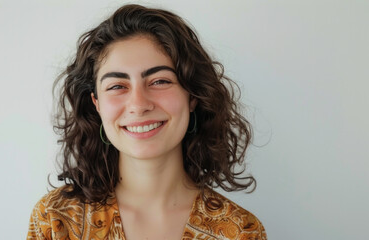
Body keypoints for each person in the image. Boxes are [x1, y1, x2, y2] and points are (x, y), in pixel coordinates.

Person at [27, 4, 267, 240]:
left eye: (159, 81)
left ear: (192, 96)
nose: (139, 104)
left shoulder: (241, 231)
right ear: (96, 104)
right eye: (117, 86)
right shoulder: (56, 221)